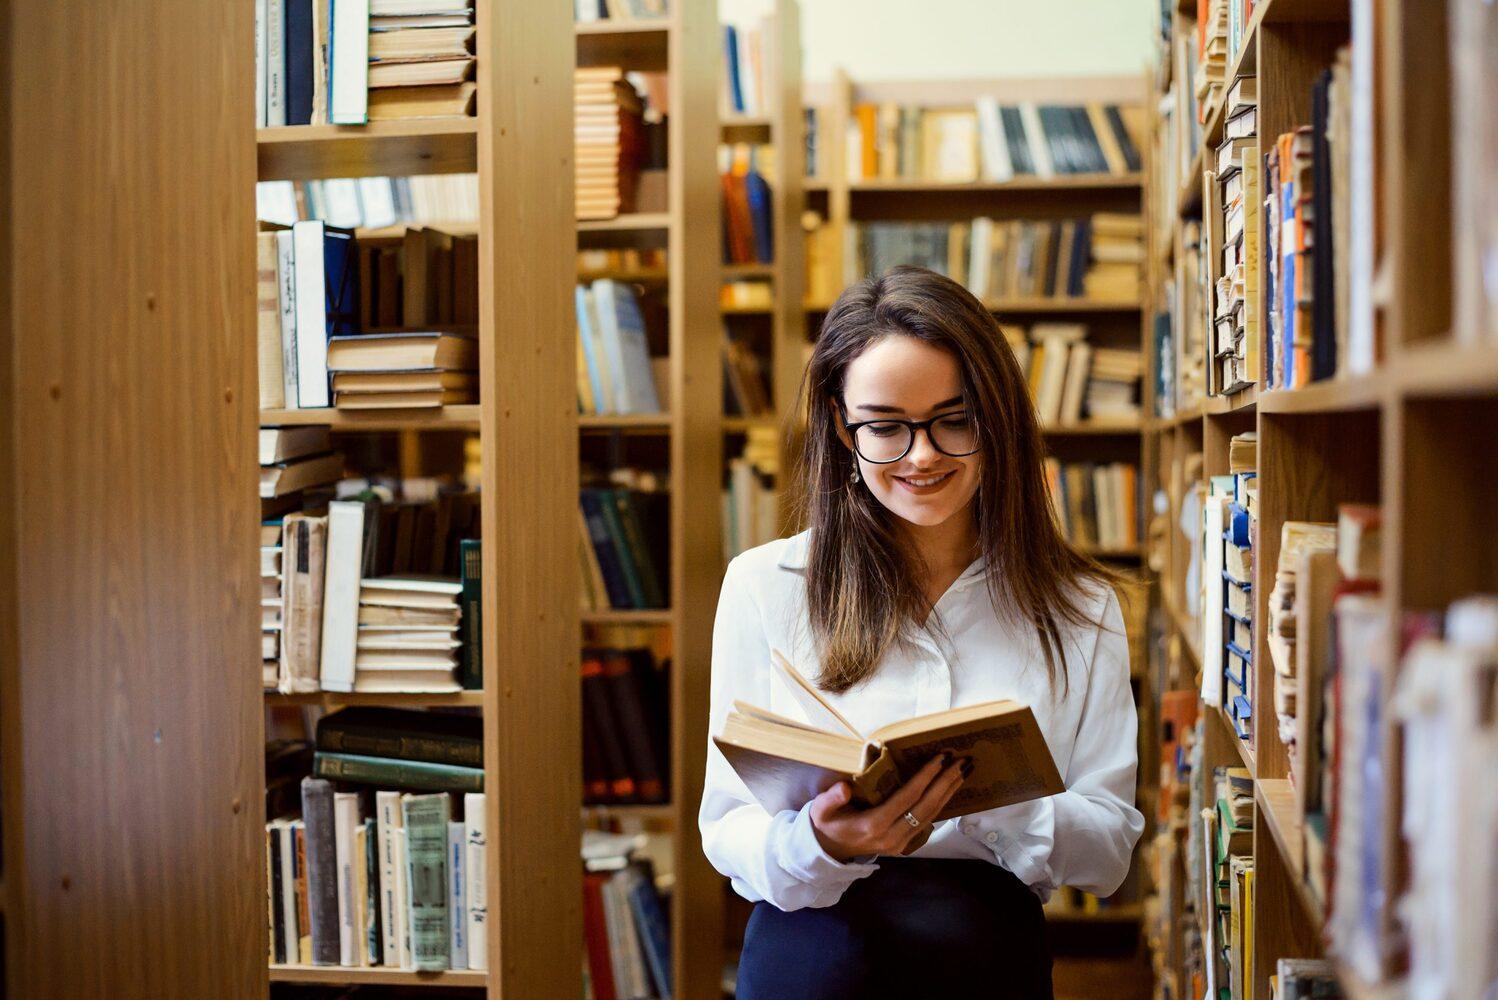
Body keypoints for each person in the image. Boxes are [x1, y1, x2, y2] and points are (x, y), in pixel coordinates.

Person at [699, 266, 1145, 999]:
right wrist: (822, 841)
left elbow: (1109, 853)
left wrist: (1007, 801)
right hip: (811, 962)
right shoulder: (761, 585)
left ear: (995, 417)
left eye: (954, 419)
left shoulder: (1081, 604)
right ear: (843, 429)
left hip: (988, 966)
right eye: (885, 427)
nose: (923, 455)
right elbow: (726, 830)